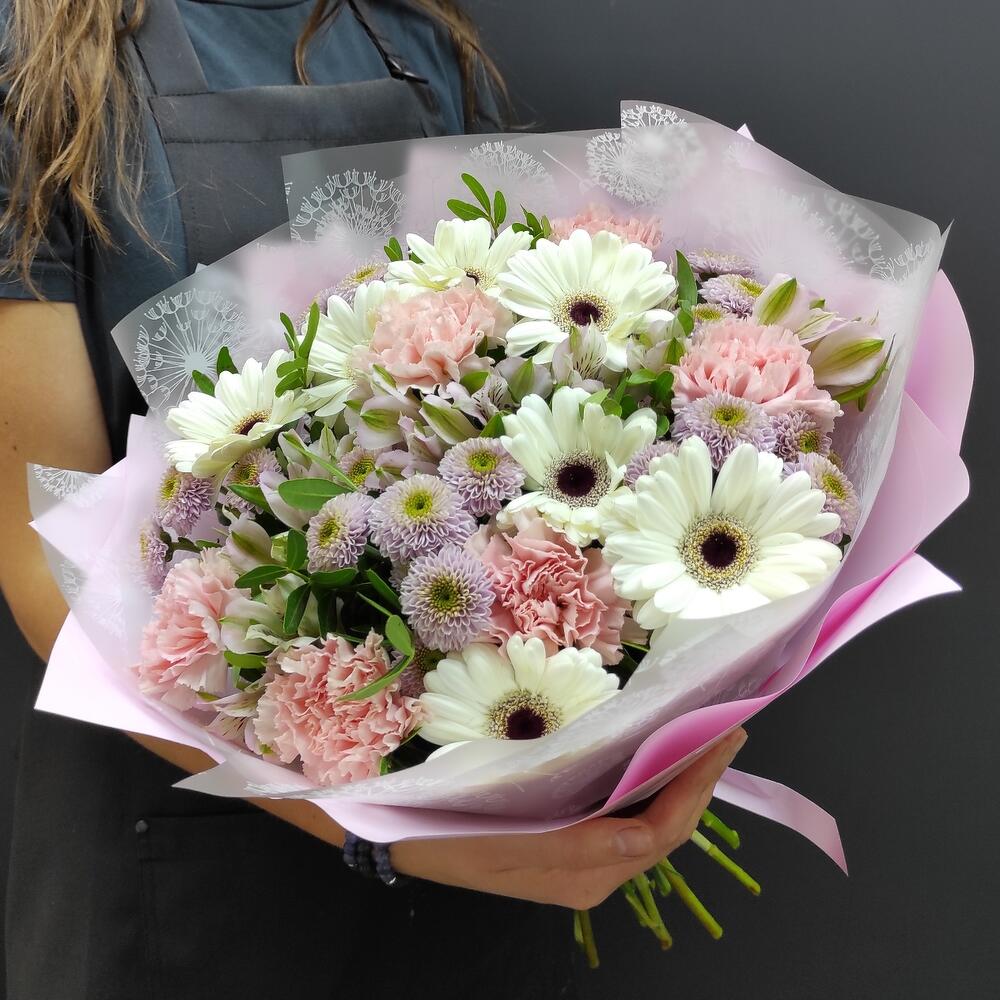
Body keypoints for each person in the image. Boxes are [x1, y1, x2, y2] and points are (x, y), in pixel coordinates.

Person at [0, 2, 746, 997]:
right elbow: (42, 558)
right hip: (188, 857)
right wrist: (383, 834)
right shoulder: (34, 63)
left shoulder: (412, 36)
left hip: (475, 849)